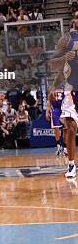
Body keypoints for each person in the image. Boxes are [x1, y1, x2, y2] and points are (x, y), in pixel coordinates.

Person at [50, 15, 78, 178]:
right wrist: (54, 86)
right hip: (71, 90)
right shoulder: (66, 41)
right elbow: (54, 63)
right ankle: (71, 165)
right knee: (71, 129)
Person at [46, 89, 66, 155]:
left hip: (64, 110)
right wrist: (47, 111)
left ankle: (65, 148)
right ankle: (59, 147)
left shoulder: (65, 90)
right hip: (56, 110)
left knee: (65, 130)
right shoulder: (52, 91)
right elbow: (49, 102)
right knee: (56, 129)